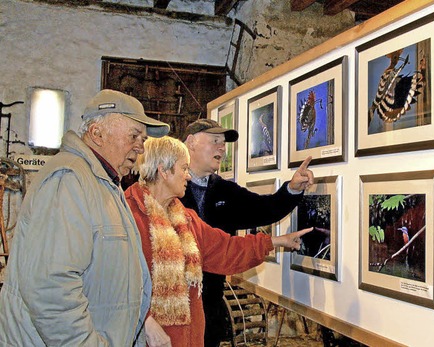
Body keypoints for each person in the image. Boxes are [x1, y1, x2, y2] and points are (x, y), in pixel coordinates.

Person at [0, 89, 170, 346]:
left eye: (143, 139)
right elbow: (51, 289)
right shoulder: (69, 179)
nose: (141, 146)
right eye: (134, 135)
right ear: (97, 133)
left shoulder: (104, 183)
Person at [124, 136, 311, 347]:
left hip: (188, 336)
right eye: (183, 168)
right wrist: (146, 320)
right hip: (142, 336)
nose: (187, 175)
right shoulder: (127, 216)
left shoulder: (185, 218)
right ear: (164, 171)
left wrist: (275, 241)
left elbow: (226, 249)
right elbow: (117, 282)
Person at [180, 118, 315, 346]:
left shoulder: (224, 190)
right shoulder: (166, 187)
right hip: (171, 304)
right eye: (215, 141)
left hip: (209, 307)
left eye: (223, 143)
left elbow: (265, 208)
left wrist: (292, 188)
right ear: (191, 142)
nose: (222, 148)